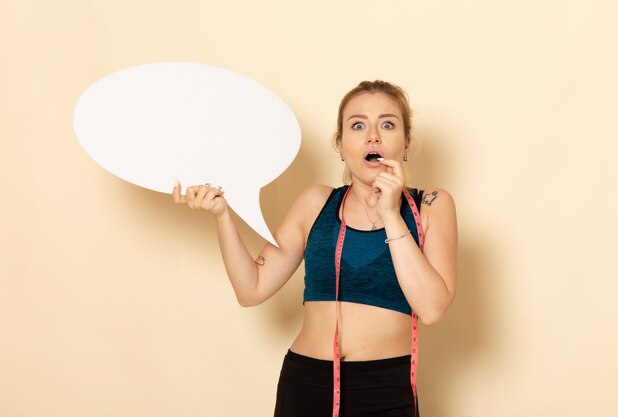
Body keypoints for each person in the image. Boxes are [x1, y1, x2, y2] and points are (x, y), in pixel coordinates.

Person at [173, 80, 457, 417]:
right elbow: (252, 289)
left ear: (406, 144)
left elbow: (432, 308)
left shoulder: (431, 205)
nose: (372, 136)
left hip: (385, 389)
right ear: (340, 144)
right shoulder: (315, 203)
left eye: (387, 124)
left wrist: (391, 214)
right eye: (357, 125)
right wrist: (222, 215)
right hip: (306, 384)